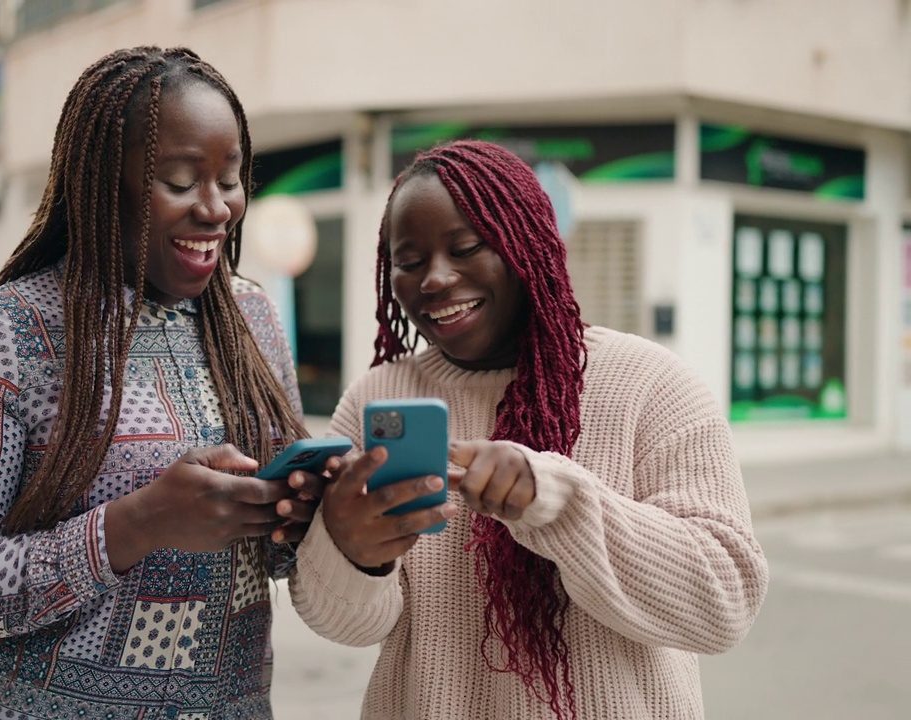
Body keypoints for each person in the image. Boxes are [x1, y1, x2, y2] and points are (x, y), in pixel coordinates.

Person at [0, 46, 322, 720]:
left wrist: (305, 520)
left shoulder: (253, 321)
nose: (217, 209)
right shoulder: (4, 331)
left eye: (231, 178)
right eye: (182, 182)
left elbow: (271, 565)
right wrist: (139, 523)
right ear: (100, 183)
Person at [289, 140, 769, 719]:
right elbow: (342, 624)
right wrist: (356, 553)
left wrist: (558, 504)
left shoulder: (652, 383)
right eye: (409, 262)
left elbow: (724, 605)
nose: (436, 279)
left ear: (528, 247)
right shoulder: (377, 399)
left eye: (466, 248)